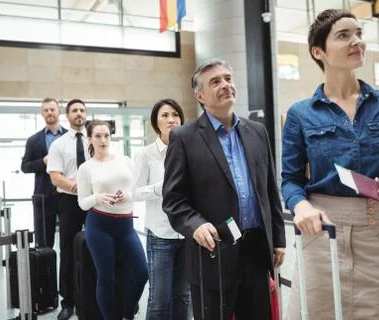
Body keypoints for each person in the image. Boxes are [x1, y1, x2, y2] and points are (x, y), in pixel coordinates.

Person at [281, 9, 379, 320]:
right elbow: (290, 179)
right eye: (344, 36)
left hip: (378, 230)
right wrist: (300, 206)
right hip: (322, 233)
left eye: (358, 33)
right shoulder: (301, 114)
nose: (356, 41)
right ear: (319, 51)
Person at [162, 58, 286, 320]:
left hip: (255, 249)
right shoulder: (184, 137)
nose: (225, 85)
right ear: (200, 95)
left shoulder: (257, 132)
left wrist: (278, 239)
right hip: (213, 254)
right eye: (215, 81)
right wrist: (195, 225)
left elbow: (269, 190)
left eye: (228, 78)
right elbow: (173, 199)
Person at [77, 120, 148, 320]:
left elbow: (137, 190)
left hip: (126, 225)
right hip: (99, 225)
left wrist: (128, 195)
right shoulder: (86, 168)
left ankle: (127, 313)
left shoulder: (125, 160)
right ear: (89, 139)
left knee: (142, 272)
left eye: (106, 135)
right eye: (98, 136)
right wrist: (98, 197)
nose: (103, 140)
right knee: (105, 278)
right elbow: (82, 202)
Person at [133, 99, 191, 320]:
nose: (171, 119)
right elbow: (135, 192)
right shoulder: (145, 154)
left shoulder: (189, 151)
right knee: (159, 300)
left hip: (187, 233)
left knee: (183, 296)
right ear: (156, 122)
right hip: (160, 235)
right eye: (165, 115)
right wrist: (162, 188)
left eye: (175, 114)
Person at [47, 98, 90, 320]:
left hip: (94, 202)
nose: (79, 114)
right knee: (68, 251)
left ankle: (92, 298)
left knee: (97, 248)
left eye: (82, 110)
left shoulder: (96, 139)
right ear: (67, 115)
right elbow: (55, 177)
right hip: (70, 202)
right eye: (74, 110)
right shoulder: (59, 144)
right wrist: (76, 187)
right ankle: (68, 302)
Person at [21, 97, 67, 248]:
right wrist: (43, 161)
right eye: (46, 110)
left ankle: (70, 272)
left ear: (58, 111)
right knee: (44, 243)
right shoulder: (33, 140)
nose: (49, 113)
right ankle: (46, 272)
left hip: (67, 195)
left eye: (52, 109)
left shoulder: (70, 137)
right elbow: (25, 167)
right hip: (44, 197)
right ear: (42, 113)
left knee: (69, 240)